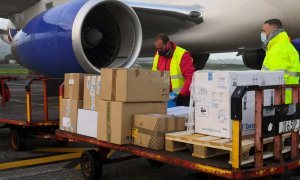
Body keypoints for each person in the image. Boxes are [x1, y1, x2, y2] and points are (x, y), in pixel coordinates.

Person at [261, 19, 300, 104]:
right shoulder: (284, 46)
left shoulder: (278, 50)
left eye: (264, 31)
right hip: (288, 98)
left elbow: (275, 79)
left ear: (273, 32)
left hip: (279, 101)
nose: (262, 34)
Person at [152, 34, 195, 106]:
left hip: (181, 98)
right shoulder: (158, 55)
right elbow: (153, 75)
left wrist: (181, 95)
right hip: (164, 97)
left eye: (161, 48)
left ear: (168, 44)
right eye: (157, 48)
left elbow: (190, 77)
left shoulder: (182, 54)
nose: (159, 51)